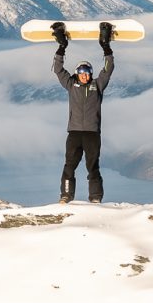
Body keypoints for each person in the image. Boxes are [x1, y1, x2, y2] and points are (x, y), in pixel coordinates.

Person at [51, 21, 115, 203]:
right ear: (77, 73)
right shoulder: (71, 85)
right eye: (81, 72)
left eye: (87, 72)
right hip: (74, 133)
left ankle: (95, 198)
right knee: (69, 166)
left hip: (92, 134)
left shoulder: (98, 85)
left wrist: (106, 46)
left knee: (92, 167)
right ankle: (65, 195)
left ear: (90, 73)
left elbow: (108, 70)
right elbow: (58, 69)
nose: (84, 75)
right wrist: (62, 47)